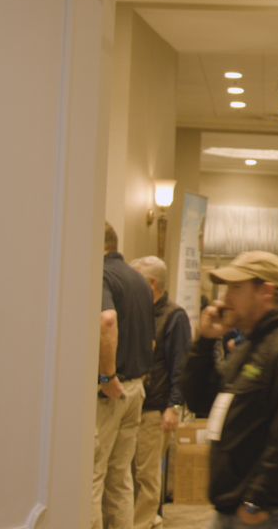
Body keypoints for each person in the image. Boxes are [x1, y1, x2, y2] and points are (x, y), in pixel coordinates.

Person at [181, 251, 278, 528]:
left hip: (267, 515)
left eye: (236, 287)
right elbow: (202, 400)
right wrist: (205, 343)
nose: (226, 297)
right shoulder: (251, 347)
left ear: (266, 291)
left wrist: (257, 501)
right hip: (237, 510)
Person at [93, 223, 155, 529]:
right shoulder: (140, 280)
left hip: (111, 394)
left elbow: (107, 321)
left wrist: (107, 377)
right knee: (120, 478)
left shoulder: (101, 275)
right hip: (136, 391)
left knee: (92, 476)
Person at [128, 256, 192, 529]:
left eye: (136, 277)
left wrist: (173, 406)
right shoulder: (140, 312)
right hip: (135, 406)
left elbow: (181, 365)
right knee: (131, 473)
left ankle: (141, 524)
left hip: (157, 409)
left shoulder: (174, 317)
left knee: (147, 474)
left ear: (152, 282)